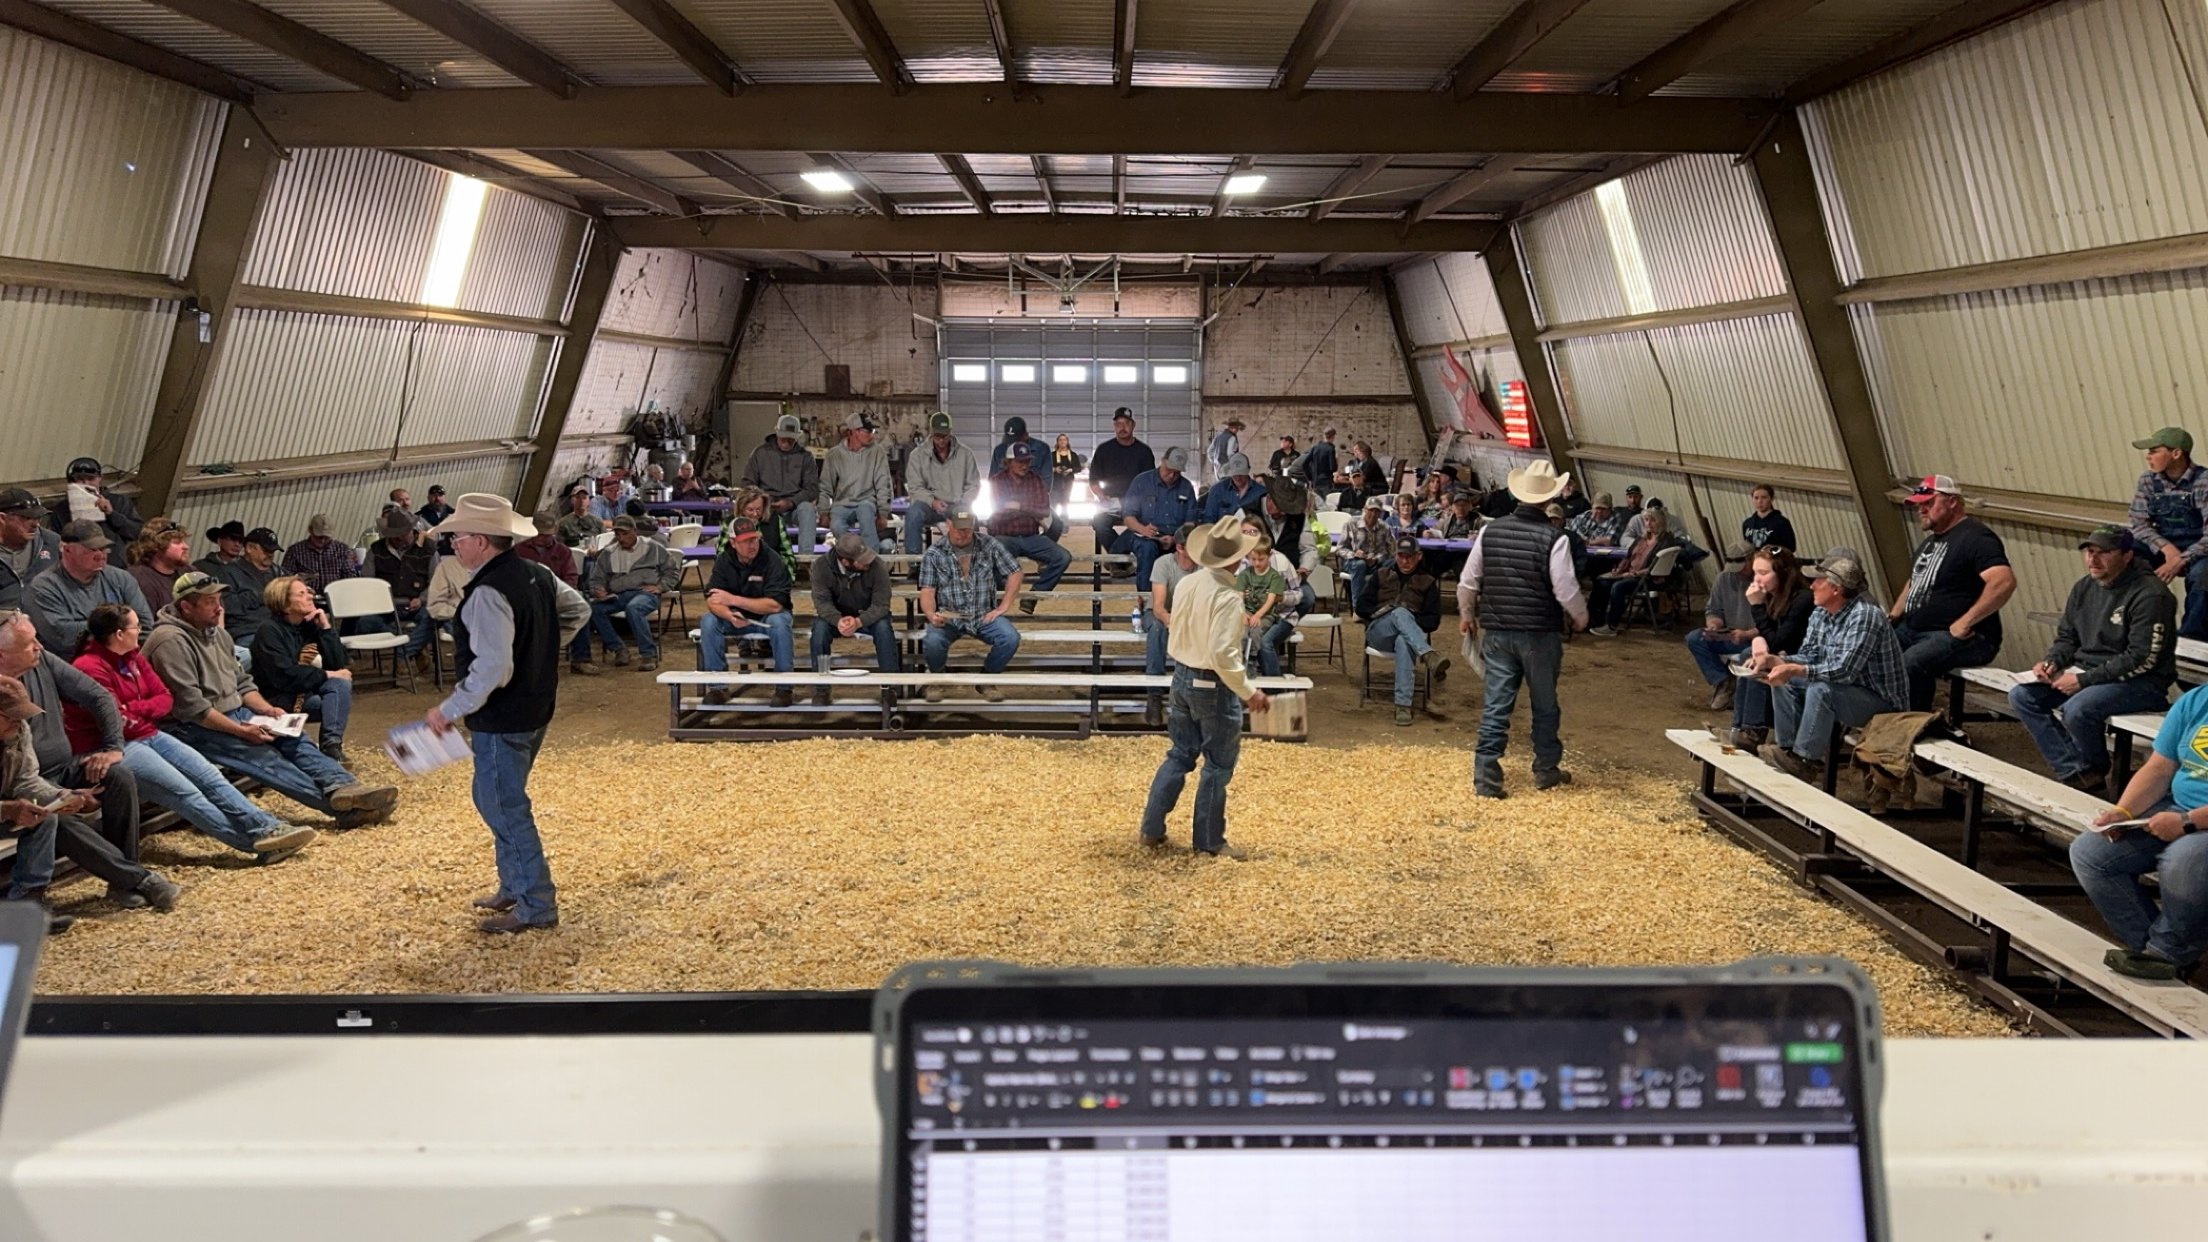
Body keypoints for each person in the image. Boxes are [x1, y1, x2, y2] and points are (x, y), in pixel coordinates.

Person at [425, 494, 589, 934]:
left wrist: (449, 709)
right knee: (497, 799)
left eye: (458, 537)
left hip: (502, 716)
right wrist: (544, 650)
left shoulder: (486, 593)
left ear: (481, 541)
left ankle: (535, 904)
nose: (454, 545)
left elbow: (493, 668)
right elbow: (578, 610)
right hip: (536, 705)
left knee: (504, 806)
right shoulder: (539, 574)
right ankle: (514, 886)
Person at [143, 572, 399, 828]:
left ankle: (345, 786)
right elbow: (193, 708)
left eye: (219, 599)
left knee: (292, 735)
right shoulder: (170, 641)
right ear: (186, 607)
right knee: (263, 756)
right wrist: (242, 732)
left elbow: (242, 684)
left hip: (232, 711)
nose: (220, 607)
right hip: (190, 725)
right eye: (210, 602)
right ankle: (346, 809)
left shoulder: (218, 635)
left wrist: (267, 710)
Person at [69, 605, 317, 861]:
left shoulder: (133, 657)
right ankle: (254, 843)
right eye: (136, 627)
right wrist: (141, 710)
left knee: (209, 776)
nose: (140, 632)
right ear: (119, 634)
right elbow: (115, 719)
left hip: (149, 733)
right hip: (115, 747)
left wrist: (135, 708)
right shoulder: (89, 667)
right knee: (185, 793)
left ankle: (267, 826)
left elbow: (165, 698)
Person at [0, 609, 163, 908]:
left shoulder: (39, 670)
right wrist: (14, 808)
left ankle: (122, 881)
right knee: (46, 815)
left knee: (117, 776)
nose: (39, 647)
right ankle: (136, 878)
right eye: (29, 645)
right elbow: (19, 787)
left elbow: (100, 696)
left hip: (44, 776)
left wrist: (112, 748)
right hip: (13, 792)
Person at [0, 673, 179, 931]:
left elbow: (26, 779)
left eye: (22, 716)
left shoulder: (18, 731)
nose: (20, 723)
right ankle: (136, 879)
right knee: (48, 822)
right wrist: (7, 810)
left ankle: (29, 903)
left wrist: (60, 795)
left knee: (49, 814)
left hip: (20, 797)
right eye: (12, 717)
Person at [1139, 515, 1271, 858]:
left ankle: (1151, 829)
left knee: (1180, 754)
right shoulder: (1228, 597)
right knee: (1218, 763)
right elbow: (1223, 654)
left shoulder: (1189, 583)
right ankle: (1209, 841)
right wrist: (1249, 691)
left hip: (1181, 675)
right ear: (1236, 558)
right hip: (1211, 684)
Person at [2008, 526, 2177, 793]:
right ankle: (2079, 772)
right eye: (2089, 552)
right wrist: (2052, 662)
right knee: (2022, 696)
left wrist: (2083, 680)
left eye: (2104, 553)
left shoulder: (2151, 595)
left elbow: (2142, 658)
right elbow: (2067, 637)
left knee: (2078, 709)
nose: (2093, 560)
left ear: (2127, 555)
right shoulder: (2084, 587)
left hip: (2142, 682)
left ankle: (2092, 770)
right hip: (2086, 673)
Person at [1459, 461, 1588, 798]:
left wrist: (1466, 614)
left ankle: (1486, 776)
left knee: (1497, 703)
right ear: (1550, 498)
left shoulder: (1490, 531)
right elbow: (1565, 589)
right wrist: (1581, 617)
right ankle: (1546, 769)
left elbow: (1468, 581)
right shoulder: (1554, 538)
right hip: (1538, 632)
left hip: (1497, 631)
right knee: (1545, 703)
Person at [2080, 674, 2208, 979]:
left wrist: (2187, 823)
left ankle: (2167, 952)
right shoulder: (2197, 700)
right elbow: (2160, 767)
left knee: (2182, 862)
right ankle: (2160, 952)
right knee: (2091, 854)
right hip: (2179, 808)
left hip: (2193, 820)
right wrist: (2123, 811)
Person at [1750, 553, 1910, 782]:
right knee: (1783, 678)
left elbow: (1844, 671)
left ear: (1836, 588)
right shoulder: (1821, 612)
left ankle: (1806, 760)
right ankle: (1786, 749)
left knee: (1821, 690)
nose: (1812, 585)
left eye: (1818, 581)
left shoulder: (1865, 616)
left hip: (1881, 702)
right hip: (1845, 691)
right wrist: (1778, 661)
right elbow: (1810, 655)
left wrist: (1795, 669)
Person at [1891, 473, 2015, 711]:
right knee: (1873, 649)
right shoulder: (1930, 542)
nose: (1922, 510)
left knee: (1911, 663)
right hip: (1914, 628)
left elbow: (2003, 581)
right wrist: (1896, 611)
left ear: (1952, 501)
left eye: (1929, 503)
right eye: (1919, 506)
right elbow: (1916, 578)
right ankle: (1878, 718)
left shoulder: (1976, 537)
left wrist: (1966, 622)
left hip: (1966, 637)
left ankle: (1911, 727)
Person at [917, 510, 1023, 701]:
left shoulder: (989, 544)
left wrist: (1004, 606)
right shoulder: (934, 553)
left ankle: (987, 679)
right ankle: (936, 678)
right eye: (959, 529)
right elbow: (927, 591)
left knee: (1010, 638)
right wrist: (931, 614)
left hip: (983, 614)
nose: (963, 533)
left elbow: (1015, 571)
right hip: (949, 616)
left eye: (967, 529)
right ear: (949, 524)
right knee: (933, 642)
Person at [250, 574, 355, 763]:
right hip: (277, 699)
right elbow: (285, 675)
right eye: (301, 593)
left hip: (304, 692)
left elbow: (338, 663)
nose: (310, 597)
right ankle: (327, 749)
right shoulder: (269, 631)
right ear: (284, 602)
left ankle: (331, 745)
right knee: (334, 703)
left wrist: (325, 628)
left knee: (340, 686)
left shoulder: (306, 626)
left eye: (308, 592)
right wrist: (328, 674)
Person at [1724, 547, 1815, 750]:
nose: (1757, 579)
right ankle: (1739, 726)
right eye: (1755, 573)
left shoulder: (1803, 599)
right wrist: (1758, 640)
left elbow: (1779, 642)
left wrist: (1756, 606)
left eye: (1764, 573)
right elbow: (1769, 634)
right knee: (1748, 654)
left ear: (1783, 573)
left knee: (1756, 658)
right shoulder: (1774, 595)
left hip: (1799, 657)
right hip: (1782, 652)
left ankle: (1755, 729)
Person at [698, 516, 796, 703]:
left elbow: (775, 605)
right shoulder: (724, 560)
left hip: (767, 617)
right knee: (709, 621)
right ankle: (718, 687)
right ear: (733, 543)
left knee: (781, 622)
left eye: (754, 539)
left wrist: (733, 600)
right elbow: (712, 599)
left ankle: (785, 688)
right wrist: (729, 614)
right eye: (745, 541)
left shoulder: (772, 559)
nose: (752, 545)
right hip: (737, 618)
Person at [1355, 533, 1448, 726]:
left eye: (1410, 556)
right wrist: (1384, 612)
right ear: (1396, 555)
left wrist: (1409, 621)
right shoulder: (1381, 574)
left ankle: (1403, 706)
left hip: (1410, 635)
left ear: (1419, 556)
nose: (1405, 561)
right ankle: (1428, 655)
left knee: (1404, 640)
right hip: (1380, 630)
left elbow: (1433, 621)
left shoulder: (1427, 581)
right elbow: (1361, 607)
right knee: (1399, 612)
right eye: (1401, 556)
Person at [2126, 426, 2208, 639]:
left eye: (2154, 451)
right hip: (2164, 544)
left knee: (2202, 577)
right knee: (2125, 553)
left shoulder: (2203, 482)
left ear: (2176, 453)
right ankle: (2135, 625)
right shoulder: (2148, 481)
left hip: (2200, 549)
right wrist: (2168, 549)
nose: (2148, 456)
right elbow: (2139, 524)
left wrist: (2181, 559)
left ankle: (2192, 639)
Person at [574, 516, 682, 675]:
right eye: (617, 534)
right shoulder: (609, 553)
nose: (621, 538)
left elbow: (672, 570)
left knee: (634, 608)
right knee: (593, 609)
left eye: (624, 534)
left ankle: (648, 655)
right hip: (618, 594)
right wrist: (598, 589)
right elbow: (596, 578)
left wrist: (661, 587)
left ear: (635, 532)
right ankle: (618, 648)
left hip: (645, 592)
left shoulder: (652, 548)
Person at [27, 521, 151, 655]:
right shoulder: (44, 587)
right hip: (73, 665)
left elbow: (145, 625)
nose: (100, 555)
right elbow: (64, 637)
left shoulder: (121, 578)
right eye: (91, 549)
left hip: (123, 658)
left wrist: (92, 628)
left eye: (103, 548)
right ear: (67, 550)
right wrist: (122, 626)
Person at [809, 532, 897, 694]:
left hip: (868, 615)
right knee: (819, 630)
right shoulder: (820, 567)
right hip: (836, 616)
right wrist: (838, 620)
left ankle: (891, 686)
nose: (868, 562)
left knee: (884, 628)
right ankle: (821, 689)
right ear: (845, 561)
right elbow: (822, 603)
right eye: (861, 560)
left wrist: (859, 621)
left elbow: (881, 605)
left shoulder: (878, 566)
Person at [989, 444, 1070, 616]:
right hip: (1005, 536)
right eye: (1019, 461)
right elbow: (998, 513)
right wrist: (1029, 510)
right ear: (1009, 462)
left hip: (1030, 536)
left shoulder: (1035, 479)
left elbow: (1043, 510)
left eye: (1026, 461)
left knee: (1063, 557)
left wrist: (1017, 506)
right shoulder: (997, 481)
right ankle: (999, 598)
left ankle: (1034, 595)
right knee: (992, 556)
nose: (1024, 465)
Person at [1687, 541, 1760, 710]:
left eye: (1741, 566)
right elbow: (1714, 609)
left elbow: (1772, 624)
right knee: (1695, 638)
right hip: (1731, 634)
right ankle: (1724, 682)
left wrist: (1747, 634)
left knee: (1747, 653)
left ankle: (1744, 701)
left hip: (1756, 638)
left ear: (1752, 560)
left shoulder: (1765, 582)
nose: (1737, 572)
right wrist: (1714, 624)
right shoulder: (1723, 579)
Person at [1141, 523, 1201, 728]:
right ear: (1180, 547)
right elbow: (1158, 607)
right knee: (1157, 628)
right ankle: (1154, 695)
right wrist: (1171, 621)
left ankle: (1193, 695)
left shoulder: (1203, 568)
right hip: (1158, 613)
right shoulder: (1163, 564)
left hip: (1189, 615)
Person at [1116, 446, 1199, 594]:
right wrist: (1144, 530)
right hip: (1145, 535)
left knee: (1193, 550)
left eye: (1177, 472)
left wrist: (1176, 538)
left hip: (1175, 538)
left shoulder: (1186, 487)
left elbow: (1190, 522)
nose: (1173, 475)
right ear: (1162, 461)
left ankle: (1186, 597)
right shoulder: (1141, 482)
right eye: (1170, 469)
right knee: (1148, 548)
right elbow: (1128, 517)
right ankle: (1146, 597)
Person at [1588, 508, 1680, 636]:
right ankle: (1596, 619)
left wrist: (1634, 574)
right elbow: (1627, 557)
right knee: (1602, 582)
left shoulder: (1665, 541)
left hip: (1648, 579)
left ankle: (1612, 625)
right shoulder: (1641, 539)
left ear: (1660, 522)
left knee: (1618, 587)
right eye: (1646, 520)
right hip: (1630, 574)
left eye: (1652, 520)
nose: (1648, 523)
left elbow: (1655, 567)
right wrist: (1619, 570)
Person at [367, 510, 437, 673]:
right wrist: (381, 601)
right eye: (395, 535)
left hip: (418, 603)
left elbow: (436, 582)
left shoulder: (429, 550)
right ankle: (414, 645)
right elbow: (367, 582)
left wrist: (422, 599)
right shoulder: (376, 550)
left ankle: (402, 652)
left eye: (402, 535)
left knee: (433, 616)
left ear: (411, 531)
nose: (398, 539)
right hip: (385, 606)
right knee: (365, 623)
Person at [743, 413, 821, 555]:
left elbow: (812, 488)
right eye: (783, 439)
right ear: (776, 434)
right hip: (767, 505)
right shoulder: (760, 454)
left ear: (797, 437)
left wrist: (791, 502)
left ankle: (806, 558)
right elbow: (748, 483)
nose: (786, 443)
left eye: (790, 440)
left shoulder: (806, 457)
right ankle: (764, 558)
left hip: (795, 507)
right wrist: (763, 502)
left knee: (808, 510)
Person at [904, 411, 980, 555]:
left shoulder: (965, 455)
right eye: (937, 436)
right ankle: (914, 563)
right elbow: (915, 487)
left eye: (944, 436)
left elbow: (973, 485)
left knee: (969, 516)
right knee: (913, 513)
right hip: (930, 506)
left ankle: (969, 560)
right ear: (931, 433)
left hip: (957, 504)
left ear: (950, 432)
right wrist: (932, 502)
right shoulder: (917, 456)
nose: (941, 441)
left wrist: (963, 503)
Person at [820, 411, 891, 553]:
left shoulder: (878, 452)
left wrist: (883, 511)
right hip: (842, 503)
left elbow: (883, 482)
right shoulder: (834, 455)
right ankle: (854, 555)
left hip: (867, 501)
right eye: (867, 431)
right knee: (837, 525)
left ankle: (872, 559)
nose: (872, 435)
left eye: (873, 431)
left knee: (866, 513)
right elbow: (825, 485)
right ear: (854, 432)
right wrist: (823, 511)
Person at [1087, 409, 1156, 555]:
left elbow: (1150, 482)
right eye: (1118, 424)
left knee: (1144, 526)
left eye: (1126, 423)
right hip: (1110, 502)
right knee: (1099, 523)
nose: (1122, 427)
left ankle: (1117, 559)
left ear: (1133, 425)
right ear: (1114, 426)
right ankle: (1121, 561)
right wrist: (1100, 496)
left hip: (1137, 504)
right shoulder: (1104, 450)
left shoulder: (1144, 451)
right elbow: (1093, 479)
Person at [208, 526, 281, 646]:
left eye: (273, 551)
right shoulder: (227, 573)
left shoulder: (277, 572)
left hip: (276, 630)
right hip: (247, 633)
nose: (270, 555)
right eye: (266, 550)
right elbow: (228, 605)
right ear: (249, 548)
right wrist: (265, 596)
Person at [51, 457, 143, 544]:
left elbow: (138, 533)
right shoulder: (61, 509)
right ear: (72, 481)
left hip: (113, 558)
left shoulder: (119, 501)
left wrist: (112, 514)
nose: (86, 483)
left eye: (91, 479)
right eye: (80, 479)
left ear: (100, 479)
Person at [0, 487, 62, 612]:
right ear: (2, 518)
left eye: (38, 517)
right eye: (27, 518)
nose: (35, 524)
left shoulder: (51, 542)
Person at [1236, 537, 1290, 678]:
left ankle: (1252, 661)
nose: (1257, 563)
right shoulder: (1245, 574)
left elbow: (1271, 600)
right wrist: (1243, 613)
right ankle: (1240, 662)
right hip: (1247, 612)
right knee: (1241, 631)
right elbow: (1239, 596)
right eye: (1253, 560)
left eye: (1261, 559)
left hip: (1265, 615)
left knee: (1256, 631)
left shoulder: (1274, 577)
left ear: (1269, 557)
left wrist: (1258, 615)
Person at [282, 514, 359, 597]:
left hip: (336, 597)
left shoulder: (343, 550)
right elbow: (285, 579)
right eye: (318, 537)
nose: (322, 541)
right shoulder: (295, 551)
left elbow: (350, 578)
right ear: (310, 530)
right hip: (305, 598)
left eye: (326, 537)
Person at [1339, 496, 1392, 609]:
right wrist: (1354, 554)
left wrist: (1376, 559)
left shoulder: (1384, 527)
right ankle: (1358, 607)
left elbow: (1386, 550)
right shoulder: (1351, 523)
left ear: (1380, 513)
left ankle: (1385, 603)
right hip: (1353, 561)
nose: (1373, 514)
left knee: (1391, 564)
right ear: (1364, 510)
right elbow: (1340, 549)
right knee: (1360, 565)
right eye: (1370, 510)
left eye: (1376, 511)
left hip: (1374, 562)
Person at [124, 526, 192, 614]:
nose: (186, 547)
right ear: (156, 546)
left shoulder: (188, 571)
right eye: (177, 542)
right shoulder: (139, 579)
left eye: (184, 541)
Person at [516, 510, 580, 586]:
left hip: (553, 591)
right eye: (539, 534)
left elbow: (571, 577)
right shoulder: (519, 549)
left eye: (546, 535)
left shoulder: (563, 552)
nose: (541, 538)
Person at [1200, 454, 1267, 525]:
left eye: (1241, 474)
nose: (1238, 478)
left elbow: (1266, 522)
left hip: (1250, 534)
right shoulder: (1217, 491)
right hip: (1222, 535)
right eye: (1235, 474)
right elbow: (1209, 519)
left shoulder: (1261, 493)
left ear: (1248, 470)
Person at [987, 416, 1052, 478]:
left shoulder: (1042, 450)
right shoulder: (999, 451)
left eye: (1016, 440)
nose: (1013, 444)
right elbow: (992, 479)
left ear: (1026, 435)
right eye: (1010, 440)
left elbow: (1045, 481)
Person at [1742, 484, 1796, 553]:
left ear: (1771, 499)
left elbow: (1791, 548)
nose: (1759, 501)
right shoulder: (1747, 523)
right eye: (1756, 498)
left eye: (1764, 497)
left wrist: (1771, 551)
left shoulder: (1781, 522)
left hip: (1775, 561)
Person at [1334, 441, 1384, 511]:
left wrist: (1344, 480)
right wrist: (1342, 476)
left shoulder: (1370, 463)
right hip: (1364, 486)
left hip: (1373, 489)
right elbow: (1353, 474)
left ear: (1361, 450)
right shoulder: (1360, 462)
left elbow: (1361, 479)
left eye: (1356, 450)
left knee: (1342, 488)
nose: (1354, 453)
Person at [1050, 435, 1085, 510]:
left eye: (1064, 440)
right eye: (1060, 440)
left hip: (1068, 482)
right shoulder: (1052, 455)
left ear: (1067, 442)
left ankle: (1064, 519)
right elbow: (1047, 467)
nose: (1062, 441)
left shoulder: (1073, 455)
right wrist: (1055, 469)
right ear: (1057, 442)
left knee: (1065, 502)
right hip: (1055, 482)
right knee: (1054, 502)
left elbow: (1078, 468)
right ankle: (1054, 520)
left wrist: (1071, 470)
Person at [1303, 430, 1339, 503]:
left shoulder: (1315, 447)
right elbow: (1333, 467)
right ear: (1333, 437)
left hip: (1315, 481)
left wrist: (1310, 478)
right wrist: (1336, 461)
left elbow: (1304, 464)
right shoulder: (1330, 449)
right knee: (1327, 504)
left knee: (1318, 505)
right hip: (1326, 482)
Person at [1207, 419, 1244, 485]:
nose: (1237, 430)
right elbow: (1230, 454)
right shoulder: (1232, 438)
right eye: (1237, 428)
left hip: (1217, 470)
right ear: (1233, 428)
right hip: (1228, 471)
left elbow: (1210, 451)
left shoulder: (1218, 436)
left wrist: (1215, 462)